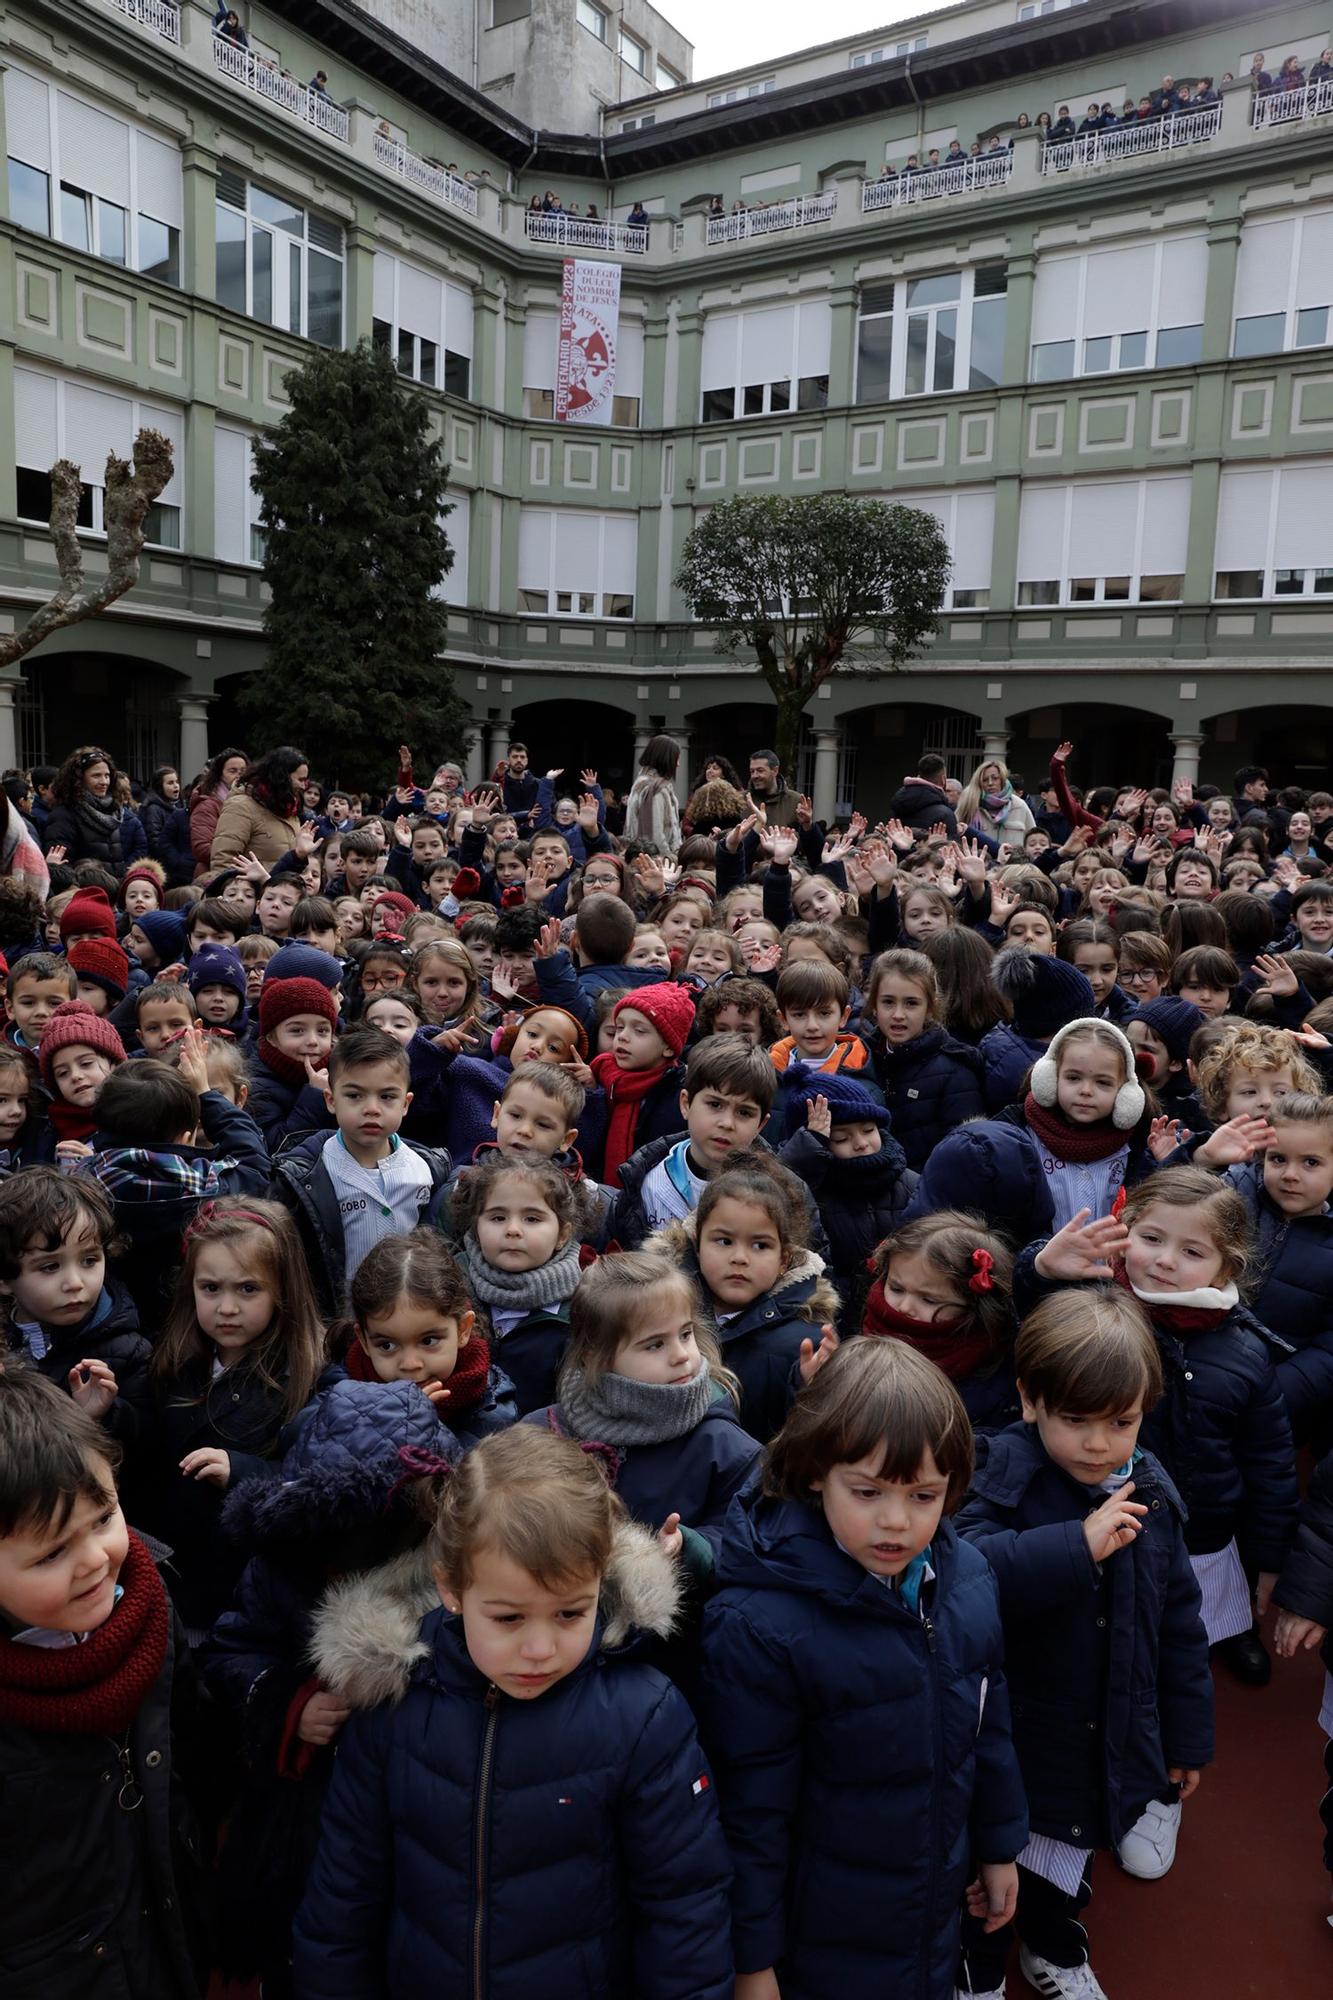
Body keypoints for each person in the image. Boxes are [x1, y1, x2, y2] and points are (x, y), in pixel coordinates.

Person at [292, 1426, 734, 1998]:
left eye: (571, 1613)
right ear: (451, 1589)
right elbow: (343, 1900)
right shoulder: (394, 1706)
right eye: (508, 1618)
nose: (540, 1649)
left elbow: (684, 1911)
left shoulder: (644, 1718)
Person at [700, 1337, 1028, 1999]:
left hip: (929, 1906)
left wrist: (996, 1845)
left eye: (922, 1496)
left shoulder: (965, 1580)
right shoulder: (758, 1625)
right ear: (817, 1470)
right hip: (819, 1931)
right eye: (867, 1491)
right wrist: (752, 1960)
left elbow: (987, 1729)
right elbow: (751, 1812)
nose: (895, 1523)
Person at [956, 1289, 1213, 1998]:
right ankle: (975, 1973)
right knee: (985, 1869)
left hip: (1103, 1729)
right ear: (1029, 1399)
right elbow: (964, 1569)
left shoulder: (1151, 1490)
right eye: (1075, 1420)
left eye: (1120, 1421)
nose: (1098, 1443)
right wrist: (1074, 1545)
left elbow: (1177, 1625)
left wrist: (1185, 1741)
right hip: (1014, 1730)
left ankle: (1053, 1947)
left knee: (1069, 1856)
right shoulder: (1000, 1471)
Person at [200, 1381, 457, 1990]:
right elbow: (230, 1650)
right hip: (309, 1812)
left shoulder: (454, 1560)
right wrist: (289, 1702)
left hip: (423, 1805)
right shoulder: (286, 1562)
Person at [0, 1369, 215, 1997]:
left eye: (103, 1518)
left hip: (167, 1934)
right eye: (48, 1555)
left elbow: (194, 1755)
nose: (94, 1560)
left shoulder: (149, 1606)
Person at [144, 1196, 332, 1639]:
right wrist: (108, 1412)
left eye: (248, 1289)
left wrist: (243, 1471)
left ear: (282, 1290)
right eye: (211, 1288)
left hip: (252, 1586)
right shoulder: (172, 1360)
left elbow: (314, 1481)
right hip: (175, 1577)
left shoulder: (311, 1373)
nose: (227, 1308)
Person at [530, 1249, 761, 1576]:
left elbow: (750, 1537)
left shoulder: (723, 1445)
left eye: (685, 1334)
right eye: (655, 1344)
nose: (681, 1355)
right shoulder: (544, 1433)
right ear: (600, 1355)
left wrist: (690, 1546)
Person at [911, 1013, 1150, 1245]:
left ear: (1127, 1093)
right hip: (1038, 1269)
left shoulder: (1136, 1144)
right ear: (1049, 1077)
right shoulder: (1019, 1136)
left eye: (1103, 1082)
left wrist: (1163, 1159)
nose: (1086, 1090)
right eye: (1073, 1078)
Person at [270, 1024, 453, 1317]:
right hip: (333, 1321)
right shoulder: (306, 1176)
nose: (371, 1108)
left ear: (406, 1104)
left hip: (405, 1319)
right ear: (331, 1100)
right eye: (355, 1096)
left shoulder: (428, 1168)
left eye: (387, 1097)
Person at [340, 1227, 518, 1444]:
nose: (410, 1364)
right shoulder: (339, 1396)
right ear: (364, 1340)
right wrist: (389, 1423)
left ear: (463, 1330)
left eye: (428, 1341)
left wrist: (420, 1426)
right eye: (387, 1346)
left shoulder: (492, 1408)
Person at [449, 1151, 589, 1414]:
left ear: (562, 1234)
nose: (513, 1229)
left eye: (532, 1219)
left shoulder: (583, 1305)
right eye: (498, 1217)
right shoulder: (449, 1283)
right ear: (476, 1227)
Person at [610, 1033, 775, 1249]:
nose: (727, 1123)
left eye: (744, 1112)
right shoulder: (648, 1183)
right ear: (686, 1104)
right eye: (715, 1105)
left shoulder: (779, 1192)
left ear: (761, 1124)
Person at [210, 746, 308, 871]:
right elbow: (223, 860)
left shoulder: (290, 809)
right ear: (282, 777)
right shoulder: (241, 807)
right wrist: (243, 889)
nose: (304, 786)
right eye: (301, 780)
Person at [621, 734, 682, 851]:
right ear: (666, 758)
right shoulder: (655, 788)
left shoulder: (642, 783)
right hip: (657, 861)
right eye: (676, 758)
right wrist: (668, 857)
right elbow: (655, 835)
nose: (678, 764)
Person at [886, 752, 960, 837]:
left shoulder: (898, 804)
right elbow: (950, 847)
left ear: (919, 776)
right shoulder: (945, 815)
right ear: (943, 780)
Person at [746, 748, 801, 828]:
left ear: (775, 770)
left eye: (760, 771)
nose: (755, 776)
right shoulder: (740, 801)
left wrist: (808, 824)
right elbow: (726, 834)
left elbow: (806, 837)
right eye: (752, 771)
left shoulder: (795, 800)